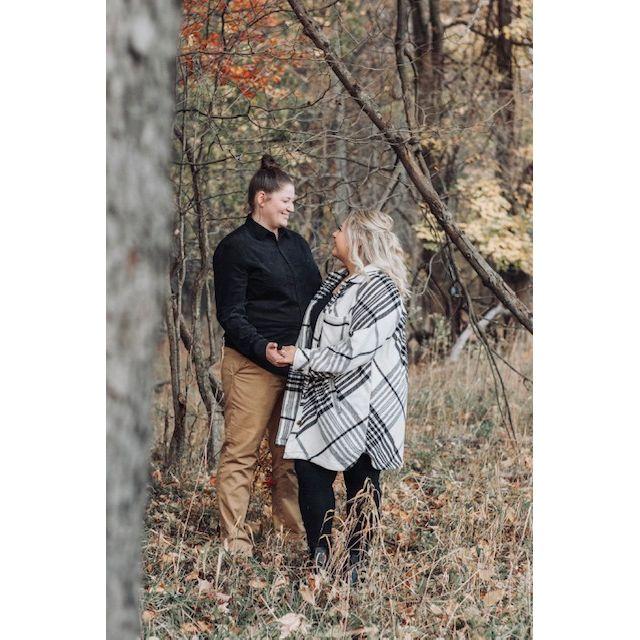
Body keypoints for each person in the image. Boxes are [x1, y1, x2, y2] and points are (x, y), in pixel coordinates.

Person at [273, 209, 409, 584]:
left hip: (364, 401)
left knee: (360, 479)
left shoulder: (380, 288)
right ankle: (319, 558)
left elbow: (356, 350)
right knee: (310, 470)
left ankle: (356, 565)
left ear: (359, 239)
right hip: (323, 394)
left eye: (341, 229)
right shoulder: (338, 280)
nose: (334, 233)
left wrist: (300, 357)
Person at [212, 154, 322, 556]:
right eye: (286, 200)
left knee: (288, 456)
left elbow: (316, 300)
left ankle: (289, 534)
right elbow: (231, 314)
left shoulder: (297, 245)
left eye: (293, 201)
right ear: (262, 198)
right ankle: (236, 540)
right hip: (250, 367)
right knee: (240, 454)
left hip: (296, 367)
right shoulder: (235, 248)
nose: (291, 208)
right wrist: (263, 348)